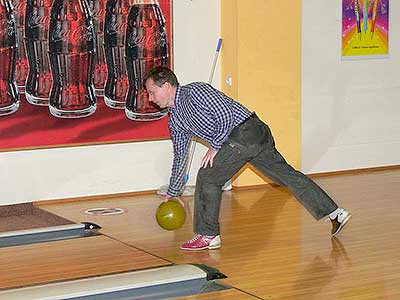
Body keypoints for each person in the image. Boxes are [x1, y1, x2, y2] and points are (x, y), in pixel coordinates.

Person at [144, 66, 352, 251]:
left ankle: (208, 235)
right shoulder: (176, 119)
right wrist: (173, 192)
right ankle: (336, 213)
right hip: (246, 139)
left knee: (208, 176)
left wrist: (215, 146)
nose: (151, 98)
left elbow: (225, 115)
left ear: (167, 86)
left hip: (248, 131)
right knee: (287, 176)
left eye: (152, 92)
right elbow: (180, 155)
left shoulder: (195, 91)